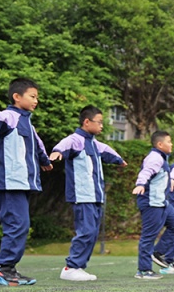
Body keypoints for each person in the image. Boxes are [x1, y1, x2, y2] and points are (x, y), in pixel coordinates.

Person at [0, 77, 54, 286]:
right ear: (17, 97)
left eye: (37, 97)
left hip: (22, 182)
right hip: (10, 182)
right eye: (32, 96)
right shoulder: (10, 116)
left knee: (21, 225)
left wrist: (44, 161)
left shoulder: (27, 122)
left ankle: (8, 269)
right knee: (17, 224)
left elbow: (37, 144)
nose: (36, 101)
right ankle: (1, 269)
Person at [48, 106, 126, 282]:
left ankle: (79, 267)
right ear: (87, 122)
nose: (102, 126)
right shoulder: (76, 140)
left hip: (95, 196)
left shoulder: (94, 143)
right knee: (86, 231)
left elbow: (107, 151)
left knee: (92, 232)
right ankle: (71, 267)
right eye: (99, 122)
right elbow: (63, 145)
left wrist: (119, 160)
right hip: (82, 195)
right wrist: (57, 152)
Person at [133, 130, 174, 279]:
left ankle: (157, 252)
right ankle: (143, 270)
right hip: (151, 202)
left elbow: (158, 176)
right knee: (148, 236)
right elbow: (146, 172)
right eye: (169, 141)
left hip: (162, 202)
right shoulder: (154, 158)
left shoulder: (162, 157)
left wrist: (169, 183)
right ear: (160, 144)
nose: (171, 144)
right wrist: (140, 184)